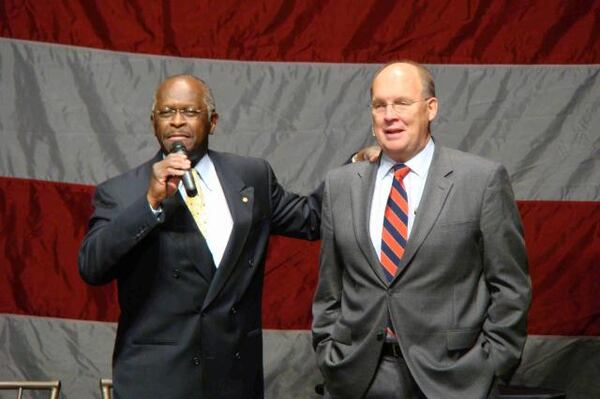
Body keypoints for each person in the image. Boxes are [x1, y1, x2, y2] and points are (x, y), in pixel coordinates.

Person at [78, 74, 323, 399]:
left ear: (213, 121)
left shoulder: (250, 177)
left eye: (190, 112)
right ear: (154, 122)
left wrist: (359, 171)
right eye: (167, 112)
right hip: (156, 380)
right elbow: (92, 266)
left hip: (233, 378)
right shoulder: (121, 191)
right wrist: (150, 203)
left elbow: (311, 219)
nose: (177, 121)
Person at [312, 61, 531, 399]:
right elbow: (329, 287)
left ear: (431, 109)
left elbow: (510, 286)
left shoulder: (481, 180)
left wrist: (492, 366)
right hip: (356, 378)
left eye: (402, 102)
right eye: (379, 105)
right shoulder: (340, 185)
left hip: (453, 380)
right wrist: (329, 352)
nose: (389, 114)